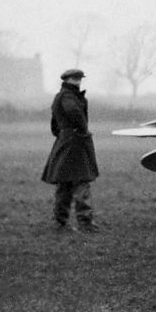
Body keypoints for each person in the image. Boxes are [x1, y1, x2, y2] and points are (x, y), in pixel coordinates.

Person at [41, 68, 99, 233]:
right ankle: (85, 223)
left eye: (79, 78)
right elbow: (74, 113)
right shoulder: (68, 96)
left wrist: (63, 134)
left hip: (65, 141)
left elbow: (54, 125)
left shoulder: (61, 96)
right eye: (75, 78)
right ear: (67, 80)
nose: (78, 81)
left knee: (65, 184)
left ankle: (61, 222)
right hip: (76, 143)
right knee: (81, 181)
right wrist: (83, 131)